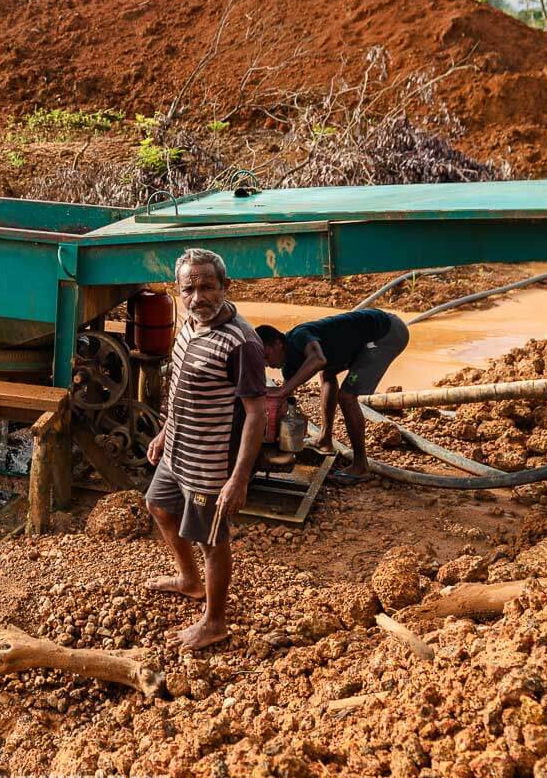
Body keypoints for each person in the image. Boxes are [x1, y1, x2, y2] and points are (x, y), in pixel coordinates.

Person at [143, 248, 267, 650]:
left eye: (208, 287)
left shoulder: (242, 342)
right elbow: (179, 388)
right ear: (179, 292)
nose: (199, 298)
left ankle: (215, 622)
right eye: (189, 289)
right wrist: (164, 432)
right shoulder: (191, 325)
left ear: (225, 287)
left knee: (212, 540)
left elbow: (256, 414)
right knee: (159, 505)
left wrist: (239, 478)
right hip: (178, 448)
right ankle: (189, 581)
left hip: (209, 463)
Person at [256, 309, 409, 484]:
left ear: (278, 343)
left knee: (347, 397)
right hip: (362, 339)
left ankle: (361, 466)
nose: (268, 364)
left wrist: (282, 391)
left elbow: (318, 360)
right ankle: (325, 440)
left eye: (267, 356)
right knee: (327, 375)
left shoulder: (299, 336)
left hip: (386, 333)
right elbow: (284, 401)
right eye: (264, 362)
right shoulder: (288, 366)